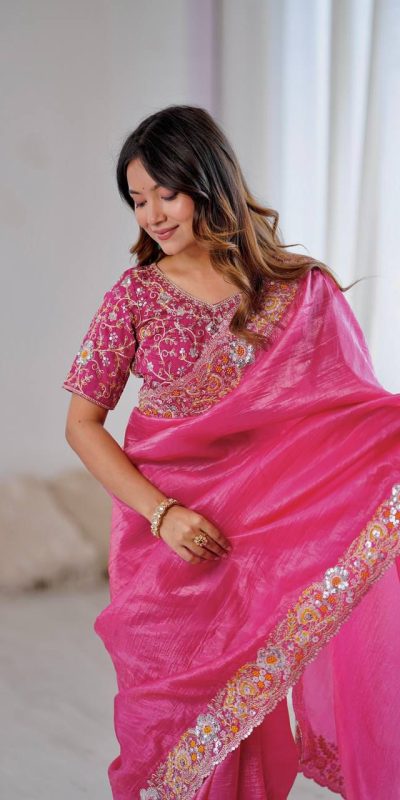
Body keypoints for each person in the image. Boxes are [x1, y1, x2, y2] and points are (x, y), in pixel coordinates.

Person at [62, 105, 400, 800]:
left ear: (207, 182)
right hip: (166, 548)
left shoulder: (298, 291)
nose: (153, 215)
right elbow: (83, 425)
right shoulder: (135, 297)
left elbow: (348, 420)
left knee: (250, 728)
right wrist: (164, 515)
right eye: (137, 200)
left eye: (165, 193)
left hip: (262, 547)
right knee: (165, 734)